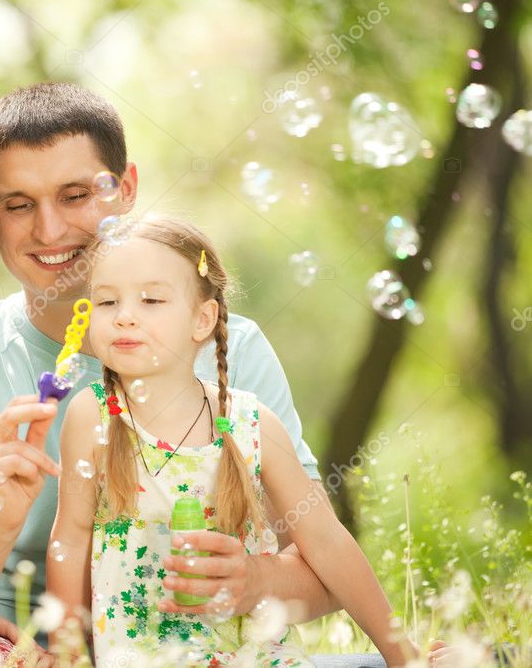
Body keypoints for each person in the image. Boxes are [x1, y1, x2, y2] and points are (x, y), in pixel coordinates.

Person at [0, 83, 339, 647]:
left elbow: (326, 568)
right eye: (19, 205)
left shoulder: (232, 350)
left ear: (125, 188)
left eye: (75, 195)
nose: (49, 230)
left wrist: (256, 580)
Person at [47, 215, 416, 666]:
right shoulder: (94, 415)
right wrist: (66, 654)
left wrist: (402, 655)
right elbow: (70, 539)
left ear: (203, 319)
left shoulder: (251, 424)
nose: (124, 316)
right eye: (107, 302)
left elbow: (327, 542)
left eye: (151, 300)